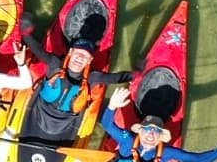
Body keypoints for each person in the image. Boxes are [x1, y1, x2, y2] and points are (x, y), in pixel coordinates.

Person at [18, 13, 135, 141]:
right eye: (78, 53)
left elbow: (116, 78)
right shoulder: (55, 63)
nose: (80, 58)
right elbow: (37, 50)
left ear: (89, 61)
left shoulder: (93, 77)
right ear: (70, 52)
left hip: (66, 123)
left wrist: (137, 74)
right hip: (39, 112)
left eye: (85, 56)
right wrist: (26, 31)